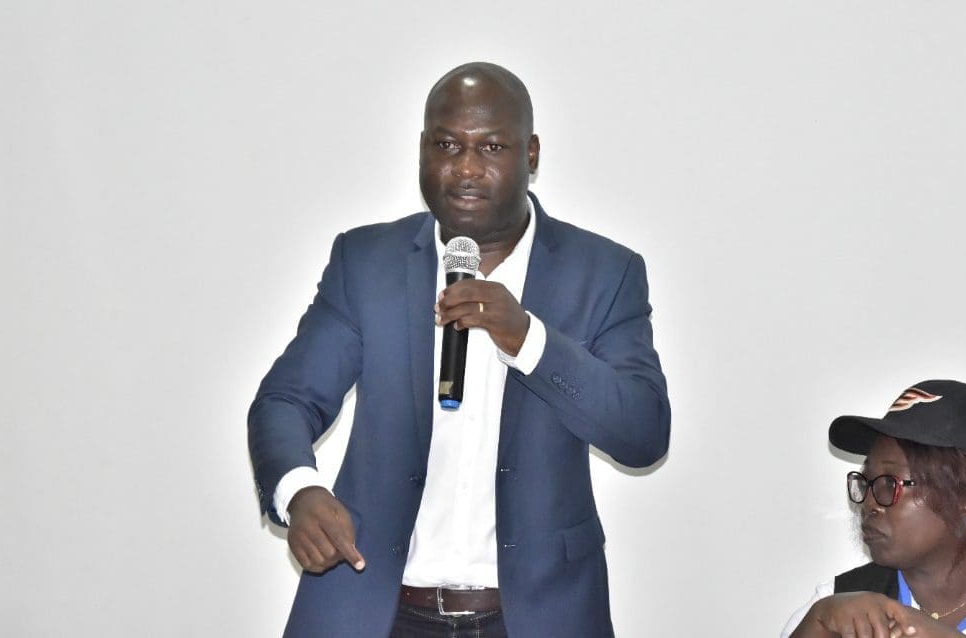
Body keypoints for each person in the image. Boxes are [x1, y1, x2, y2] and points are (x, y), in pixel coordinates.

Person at [248, 62, 670, 637]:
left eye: (491, 147)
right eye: (447, 145)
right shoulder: (366, 263)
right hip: (376, 609)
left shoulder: (603, 273)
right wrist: (299, 490)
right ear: (423, 149)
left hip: (535, 618)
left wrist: (529, 340)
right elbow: (286, 400)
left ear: (531, 154)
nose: (466, 167)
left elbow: (643, 433)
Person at [782, 380, 966, 638]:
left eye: (890, 483)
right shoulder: (832, 613)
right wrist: (816, 625)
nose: (868, 503)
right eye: (866, 482)